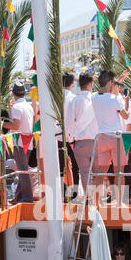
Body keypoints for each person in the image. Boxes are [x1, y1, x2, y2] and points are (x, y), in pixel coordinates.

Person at [91, 70, 130, 203]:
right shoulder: (114, 99)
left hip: (101, 138)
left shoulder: (94, 97)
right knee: (119, 172)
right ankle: (120, 202)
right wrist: (127, 102)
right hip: (116, 137)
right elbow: (126, 115)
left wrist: (119, 79)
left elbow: (109, 90)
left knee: (101, 172)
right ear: (109, 83)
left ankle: (94, 203)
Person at [67, 72, 100, 197]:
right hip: (96, 141)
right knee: (97, 172)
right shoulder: (96, 99)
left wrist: (71, 141)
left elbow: (69, 123)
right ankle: (97, 199)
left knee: (84, 173)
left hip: (80, 142)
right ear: (91, 84)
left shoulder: (74, 101)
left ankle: (89, 199)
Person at [2, 81, 34, 203]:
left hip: (20, 141)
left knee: (22, 170)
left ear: (13, 93)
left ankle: (27, 197)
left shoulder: (16, 107)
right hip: (28, 141)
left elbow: (15, 125)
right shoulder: (28, 106)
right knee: (23, 169)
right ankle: (20, 195)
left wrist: (2, 124)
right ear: (24, 93)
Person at [57, 72, 79, 201]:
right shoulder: (73, 98)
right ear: (72, 83)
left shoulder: (55, 97)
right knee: (75, 167)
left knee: (60, 167)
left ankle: (62, 193)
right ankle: (74, 193)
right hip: (72, 136)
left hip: (57, 136)